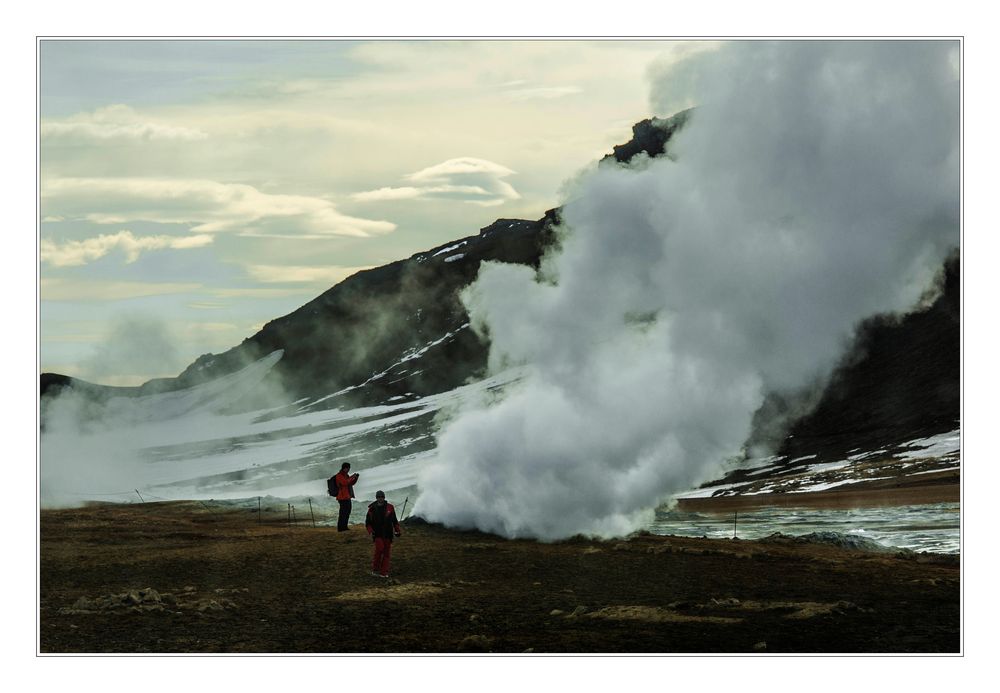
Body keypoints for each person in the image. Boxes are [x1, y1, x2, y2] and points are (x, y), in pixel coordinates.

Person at [365, 490, 401, 578]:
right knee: (379, 549)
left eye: (382, 497)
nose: (380, 498)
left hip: (388, 534)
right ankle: (375, 569)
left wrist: (397, 530)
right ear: (376, 498)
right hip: (377, 534)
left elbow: (394, 520)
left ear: (384, 497)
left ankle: (384, 572)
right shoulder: (372, 509)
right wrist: (371, 531)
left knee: (386, 553)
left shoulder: (390, 507)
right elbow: (368, 523)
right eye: (379, 497)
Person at [334, 462, 359, 532]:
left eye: (349, 468)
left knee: (347, 512)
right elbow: (345, 482)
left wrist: (356, 478)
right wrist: (352, 477)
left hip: (347, 497)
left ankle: (344, 527)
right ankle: (340, 528)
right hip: (342, 497)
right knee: (343, 513)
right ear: (344, 468)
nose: (348, 470)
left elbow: (351, 483)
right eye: (347, 468)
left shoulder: (346, 475)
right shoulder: (339, 475)